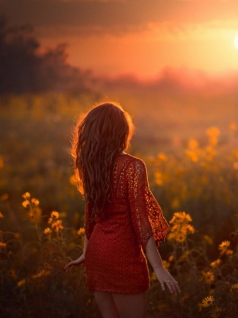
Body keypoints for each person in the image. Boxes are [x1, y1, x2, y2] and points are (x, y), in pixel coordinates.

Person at [64, 102, 180, 318]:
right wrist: (158, 268)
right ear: (122, 132)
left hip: (97, 254)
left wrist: (86, 252)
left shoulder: (91, 166)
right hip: (123, 257)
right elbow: (141, 222)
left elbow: (90, 217)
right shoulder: (133, 167)